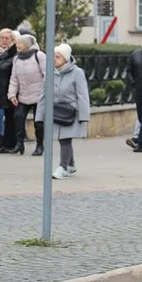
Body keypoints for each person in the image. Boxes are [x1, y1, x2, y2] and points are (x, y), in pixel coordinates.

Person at [35, 43, 91, 180]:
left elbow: (83, 95)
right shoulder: (50, 72)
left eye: (58, 56)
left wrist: (84, 116)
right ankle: (70, 164)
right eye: (53, 56)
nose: (54, 59)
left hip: (71, 113)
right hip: (56, 112)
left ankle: (63, 167)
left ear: (66, 58)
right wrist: (39, 116)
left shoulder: (77, 73)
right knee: (63, 140)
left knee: (65, 139)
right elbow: (44, 94)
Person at [8, 33, 47, 155]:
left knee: (38, 122)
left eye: (20, 43)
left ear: (27, 45)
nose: (17, 45)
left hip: (39, 95)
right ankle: (19, 144)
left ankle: (40, 145)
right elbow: (14, 78)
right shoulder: (17, 58)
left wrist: (45, 93)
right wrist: (12, 94)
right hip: (24, 95)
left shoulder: (39, 56)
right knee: (18, 118)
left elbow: (47, 74)